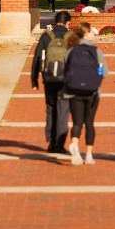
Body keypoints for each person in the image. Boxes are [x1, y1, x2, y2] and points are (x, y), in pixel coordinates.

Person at [62, 22, 108, 165]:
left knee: (77, 122)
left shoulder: (71, 51)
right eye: (92, 31)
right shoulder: (96, 51)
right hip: (92, 91)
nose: (94, 33)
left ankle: (74, 144)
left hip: (73, 90)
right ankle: (88, 155)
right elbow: (104, 71)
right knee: (89, 123)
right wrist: (97, 76)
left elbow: (65, 69)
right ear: (86, 33)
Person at [30, 11, 72, 153]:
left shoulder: (46, 36)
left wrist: (34, 79)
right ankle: (59, 144)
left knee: (50, 108)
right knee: (63, 110)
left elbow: (37, 58)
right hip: (65, 79)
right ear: (68, 22)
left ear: (54, 21)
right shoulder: (71, 37)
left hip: (48, 78)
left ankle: (51, 141)